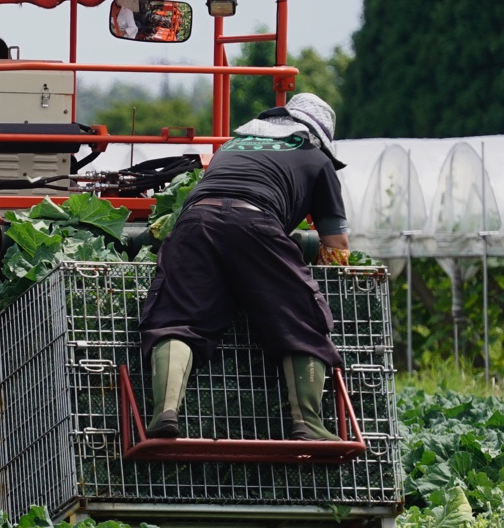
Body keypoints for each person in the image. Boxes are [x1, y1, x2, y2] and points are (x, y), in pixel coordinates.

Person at [138, 92, 350, 441]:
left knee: (176, 318)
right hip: (255, 222)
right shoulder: (316, 159)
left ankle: (164, 413)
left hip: (194, 222)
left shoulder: (232, 146)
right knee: (301, 317)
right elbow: (336, 245)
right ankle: (309, 424)